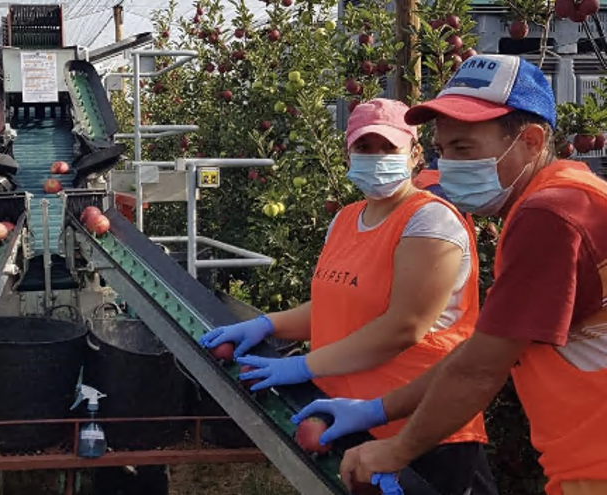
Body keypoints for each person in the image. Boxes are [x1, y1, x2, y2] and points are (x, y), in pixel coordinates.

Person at [320, 54, 607, 495]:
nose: (449, 165)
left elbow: (481, 370)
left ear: (531, 141)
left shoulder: (551, 215)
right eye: (443, 149)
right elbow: (487, 349)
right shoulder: (573, 196)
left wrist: (396, 449)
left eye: (464, 149)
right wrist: (378, 410)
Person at [200, 98, 497, 494]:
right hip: (345, 418)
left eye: (388, 147)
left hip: (420, 430)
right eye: (364, 147)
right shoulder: (345, 219)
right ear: (348, 154)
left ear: (415, 154)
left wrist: (303, 366)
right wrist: (267, 324)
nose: (376, 157)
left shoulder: (431, 220)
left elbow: (404, 327)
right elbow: (335, 306)